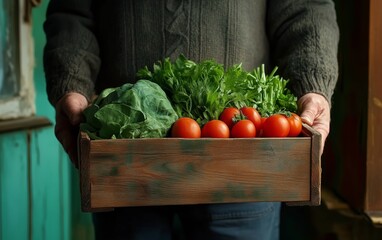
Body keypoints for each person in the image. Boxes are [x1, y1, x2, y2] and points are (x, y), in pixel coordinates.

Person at [43, 0, 339, 239]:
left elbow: (307, 7)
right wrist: (71, 81)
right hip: (125, 153)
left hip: (242, 154)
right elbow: (71, 13)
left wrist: (312, 84)